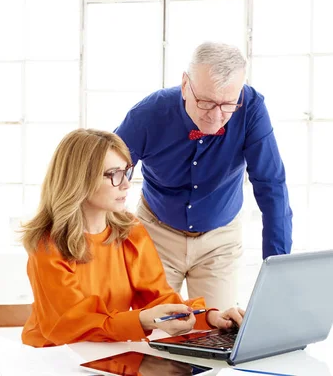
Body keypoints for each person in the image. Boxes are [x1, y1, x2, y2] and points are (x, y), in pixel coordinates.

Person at [20, 129, 244, 348]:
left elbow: (160, 299)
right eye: (114, 175)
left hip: (107, 350)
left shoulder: (130, 230)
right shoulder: (47, 244)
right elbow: (73, 324)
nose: (126, 184)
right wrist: (143, 319)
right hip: (54, 356)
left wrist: (211, 317)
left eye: (126, 172)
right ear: (80, 180)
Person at [114, 42, 292, 310]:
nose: (217, 116)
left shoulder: (252, 109)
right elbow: (107, 172)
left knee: (216, 334)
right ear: (185, 84)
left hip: (219, 241)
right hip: (155, 235)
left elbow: (271, 186)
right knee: (151, 328)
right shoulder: (148, 114)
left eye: (228, 104)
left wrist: (277, 271)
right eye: (206, 102)